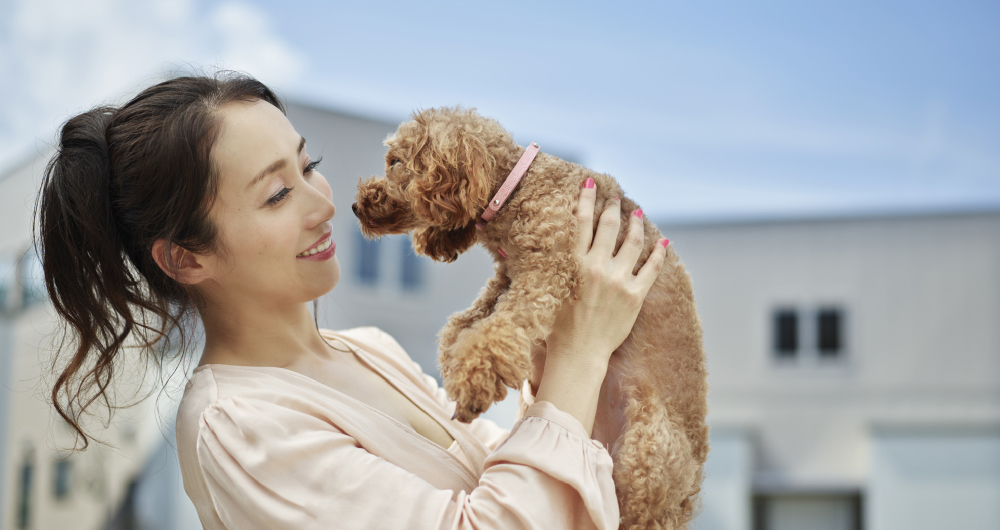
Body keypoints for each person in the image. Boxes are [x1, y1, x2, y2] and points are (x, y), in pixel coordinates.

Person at [36, 72, 666, 529]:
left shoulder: (372, 350)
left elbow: (524, 495)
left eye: (309, 166)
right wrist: (580, 355)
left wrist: (571, 353)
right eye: (278, 194)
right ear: (185, 257)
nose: (325, 203)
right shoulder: (240, 427)